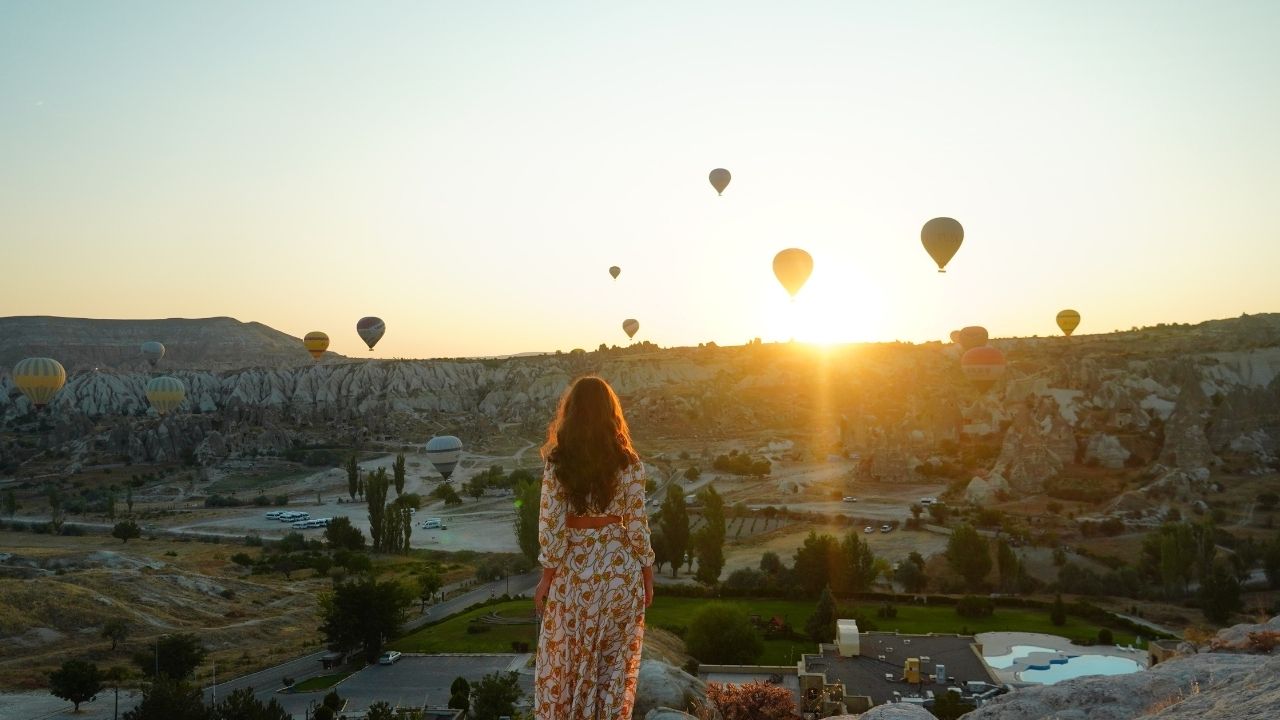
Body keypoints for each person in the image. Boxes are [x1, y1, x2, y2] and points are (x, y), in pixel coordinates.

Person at [533, 376, 655, 720]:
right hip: (620, 575)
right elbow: (637, 525)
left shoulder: (558, 463)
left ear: (570, 414)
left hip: (575, 577)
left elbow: (552, 528)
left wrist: (546, 579)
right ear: (610, 413)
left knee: (569, 665)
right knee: (611, 669)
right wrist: (647, 575)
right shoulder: (629, 463)